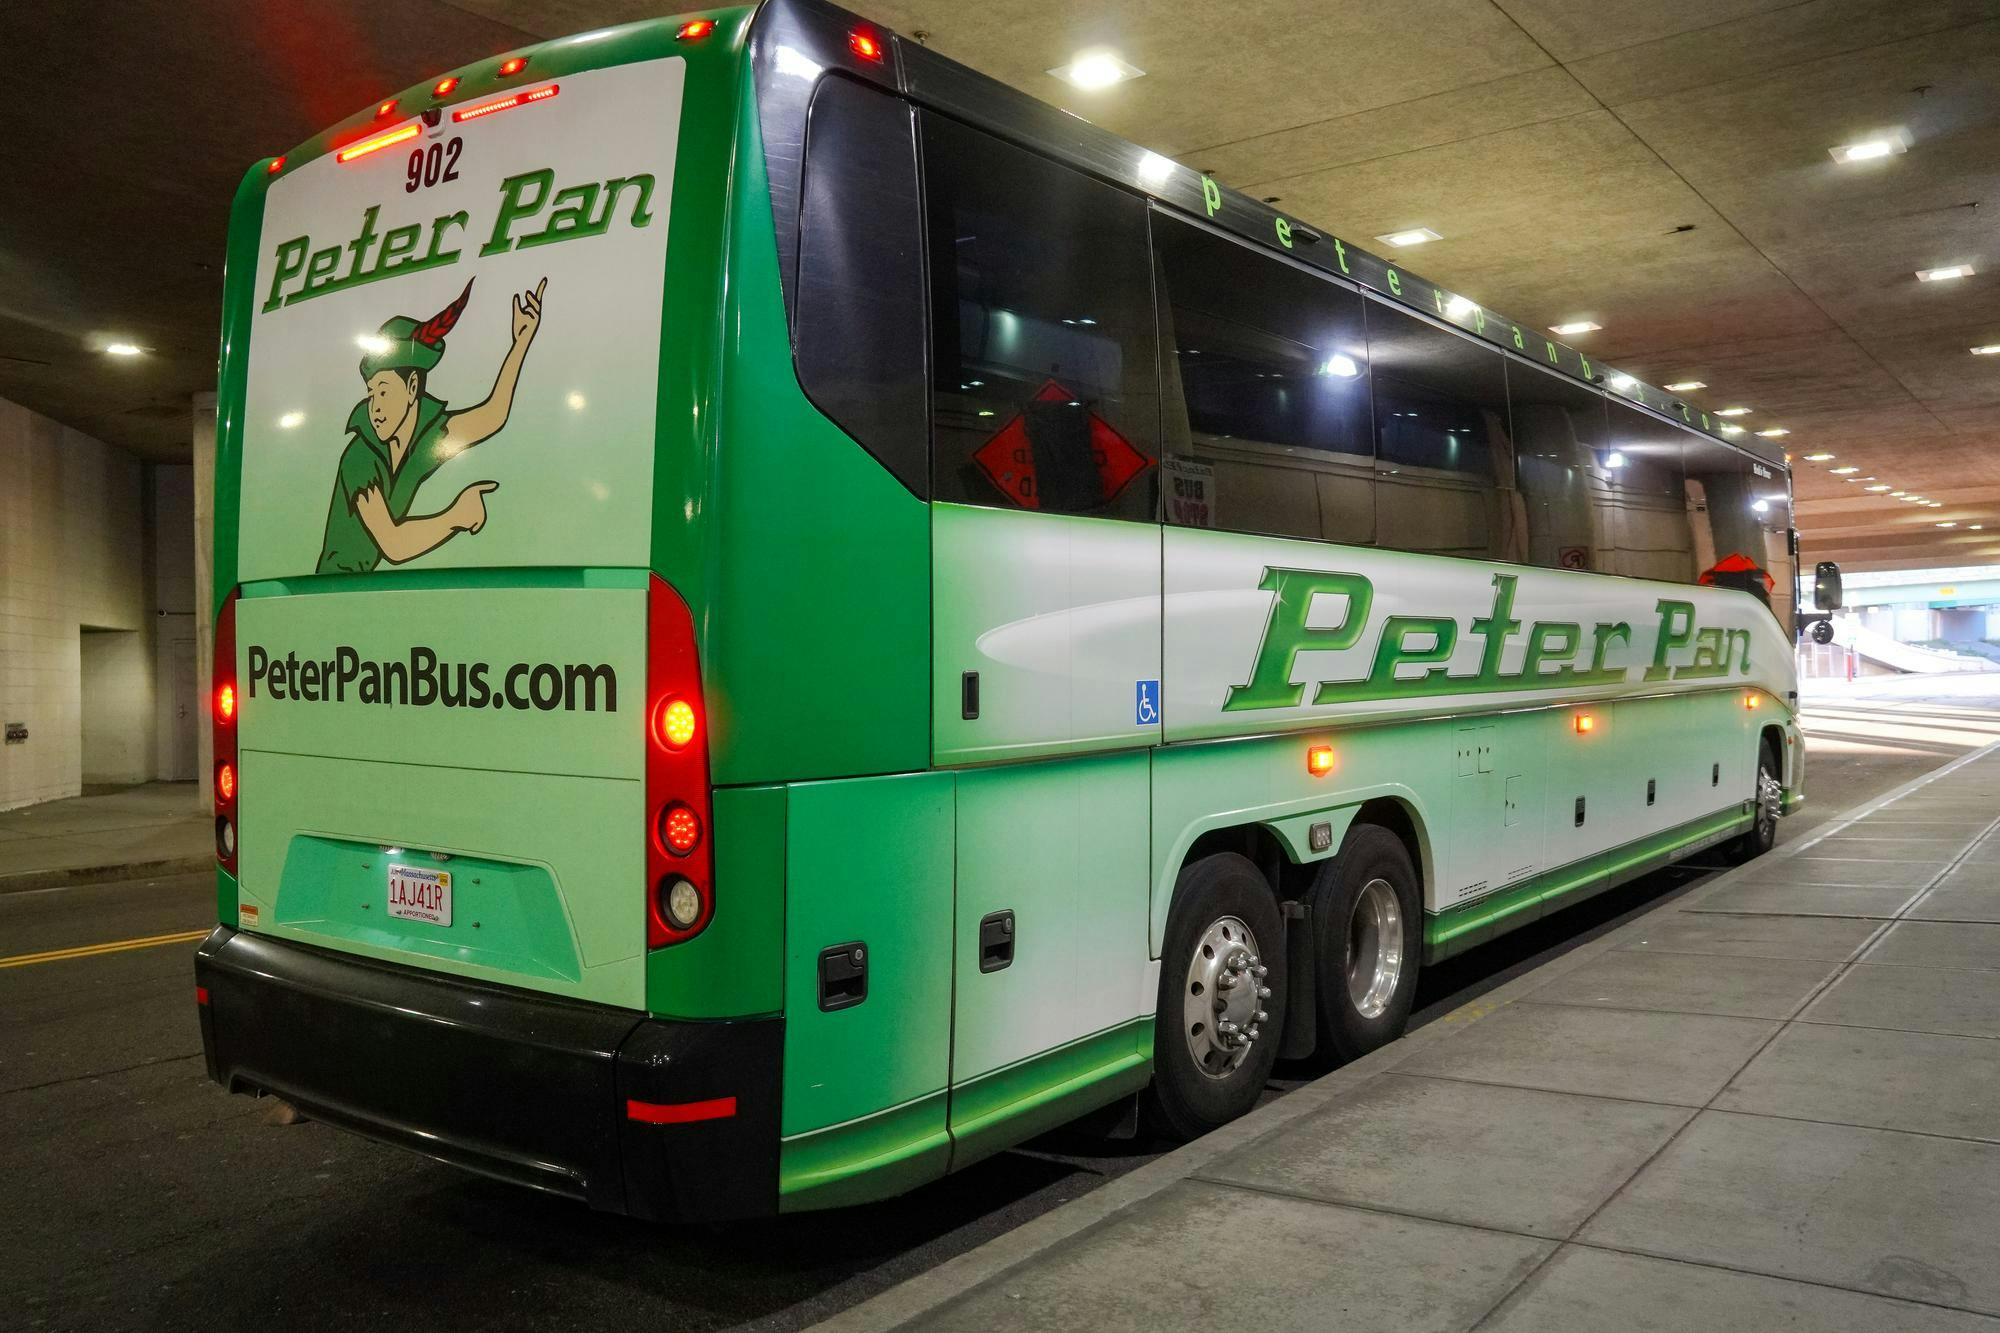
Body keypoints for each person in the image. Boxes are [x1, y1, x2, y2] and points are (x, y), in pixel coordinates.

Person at [315, 276, 545, 573]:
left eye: (384, 391)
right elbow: (394, 544)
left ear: (412, 387)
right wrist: (456, 516)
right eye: (372, 394)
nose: (376, 408)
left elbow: (492, 417)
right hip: (332, 585)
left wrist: (520, 343)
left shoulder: (425, 439)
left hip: (366, 588)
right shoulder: (361, 456)